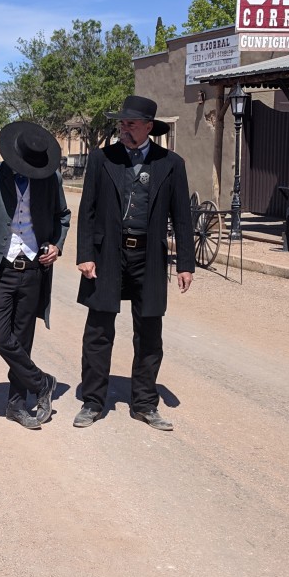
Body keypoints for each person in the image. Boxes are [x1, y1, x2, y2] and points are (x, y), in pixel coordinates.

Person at [74, 96, 195, 431]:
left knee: (149, 334)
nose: (123, 129)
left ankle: (144, 403)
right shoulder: (102, 159)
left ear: (148, 127)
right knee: (98, 332)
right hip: (106, 256)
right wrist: (85, 254)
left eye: (130, 124)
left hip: (150, 257)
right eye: (121, 123)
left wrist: (186, 262)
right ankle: (93, 401)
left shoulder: (171, 163)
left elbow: (182, 218)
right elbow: (88, 210)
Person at [0, 122, 71, 429]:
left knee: (23, 340)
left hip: (33, 270)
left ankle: (16, 405)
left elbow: (62, 216)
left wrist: (57, 245)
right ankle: (42, 382)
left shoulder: (50, 179)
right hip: (1, 270)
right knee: (0, 337)